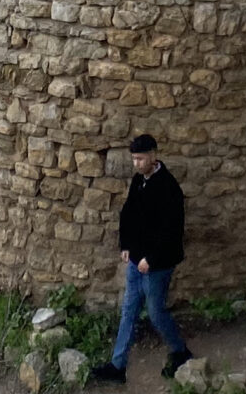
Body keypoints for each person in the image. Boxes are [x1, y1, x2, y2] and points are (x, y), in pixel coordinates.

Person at [91, 133, 189, 383]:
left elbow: (171, 229)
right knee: (129, 310)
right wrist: (126, 244)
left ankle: (180, 351)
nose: (136, 164)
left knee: (155, 313)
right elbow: (129, 214)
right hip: (137, 261)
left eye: (140, 158)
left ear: (153, 156)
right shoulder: (138, 182)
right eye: (134, 159)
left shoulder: (168, 188)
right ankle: (118, 366)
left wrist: (151, 259)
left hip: (157, 265)